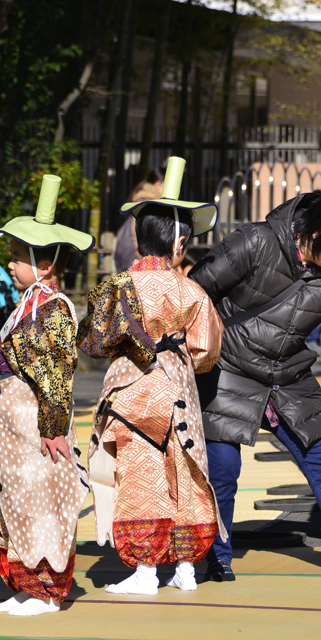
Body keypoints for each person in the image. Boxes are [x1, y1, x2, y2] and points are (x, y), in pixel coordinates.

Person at [189, 189, 321, 581]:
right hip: (229, 369)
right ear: (317, 231)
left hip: (288, 375)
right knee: (222, 468)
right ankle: (216, 555)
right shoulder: (255, 241)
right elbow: (195, 290)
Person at [79, 157, 224, 595]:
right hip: (177, 384)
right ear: (180, 244)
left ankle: (145, 571)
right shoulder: (190, 288)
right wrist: (182, 358)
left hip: (131, 388)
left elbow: (94, 341)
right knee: (184, 472)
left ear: (139, 239)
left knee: (142, 475)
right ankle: (186, 568)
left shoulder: (117, 286)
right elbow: (208, 347)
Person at [0, 174, 93, 617]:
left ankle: (46, 591)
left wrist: (52, 427)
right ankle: (26, 583)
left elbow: (58, 375)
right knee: (18, 500)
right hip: (15, 429)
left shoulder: (54, 308)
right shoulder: (27, 303)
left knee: (42, 501)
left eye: (16, 257)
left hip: (36, 428)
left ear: (44, 264)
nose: (10, 264)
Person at [113, 170, 163, 273]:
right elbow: (137, 231)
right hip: (135, 257)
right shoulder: (147, 201)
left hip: (128, 253)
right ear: (158, 184)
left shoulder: (143, 199)